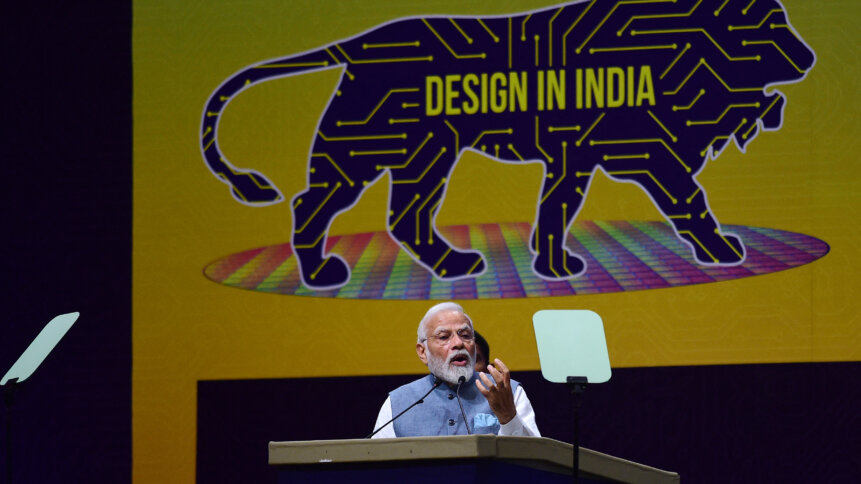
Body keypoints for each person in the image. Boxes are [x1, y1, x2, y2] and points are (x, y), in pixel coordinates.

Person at [371, 302, 540, 438]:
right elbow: (377, 469)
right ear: (422, 352)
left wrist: (508, 416)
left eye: (465, 335)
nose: (459, 343)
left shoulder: (508, 391)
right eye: (444, 337)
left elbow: (534, 462)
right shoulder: (398, 402)